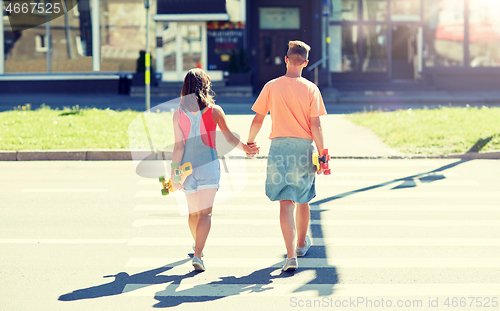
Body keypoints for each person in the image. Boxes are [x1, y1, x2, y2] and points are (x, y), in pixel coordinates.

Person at [247, 41, 327, 271]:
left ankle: (290, 255)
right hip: (303, 148)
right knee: (303, 198)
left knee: (285, 201)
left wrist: (250, 142)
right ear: (305, 63)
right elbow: (316, 124)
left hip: (279, 149)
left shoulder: (271, 86)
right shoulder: (311, 89)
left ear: (286, 59)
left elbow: (258, 119)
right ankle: (301, 244)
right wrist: (322, 154)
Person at [172, 68, 259, 271]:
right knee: (206, 214)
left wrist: (174, 173)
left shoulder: (178, 114)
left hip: (186, 169)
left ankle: (197, 247)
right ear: (205, 86)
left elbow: (178, 147)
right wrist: (246, 148)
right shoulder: (215, 111)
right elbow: (229, 137)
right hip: (209, 166)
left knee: (193, 214)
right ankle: (198, 253)